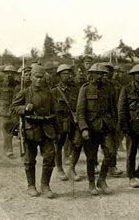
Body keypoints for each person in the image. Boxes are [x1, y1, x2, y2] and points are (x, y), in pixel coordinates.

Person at [11, 64, 61, 198]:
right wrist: (25, 108)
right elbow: (14, 107)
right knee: (29, 160)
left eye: (41, 77)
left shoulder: (49, 94)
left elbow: (54, 113)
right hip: (30, 130)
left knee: (50, 157)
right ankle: (31, 186)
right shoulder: (25, 92)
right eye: (36, 77)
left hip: (47, 129)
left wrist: (58, 131)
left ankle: (45, 185)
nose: (39, 80)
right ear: (31, 78)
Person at [76, 63, 116, 195]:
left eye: (102, 74)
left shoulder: (108, 88)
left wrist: (114, 125)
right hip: (91, 128)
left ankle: (102, 180)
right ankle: (91, 182)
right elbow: (80, 112)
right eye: (97, 74)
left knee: (110, 154)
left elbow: (112, 108)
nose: (100, 76)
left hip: (106, 127)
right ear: (91, 74)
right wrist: (84, 129)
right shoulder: (85, 89)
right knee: (91, 157)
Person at [51, 64, 80, 181]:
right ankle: (59, 169)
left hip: (73, 122)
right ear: (59, 76)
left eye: (68, 73)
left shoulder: (75, 89)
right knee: (58, 146)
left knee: (77, 143)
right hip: (60, 122)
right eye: (63, 73)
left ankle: (72, 168)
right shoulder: (54, 91)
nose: (66, 76)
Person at [0, 65, 19, 158]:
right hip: (3, 111)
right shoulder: (0, 84)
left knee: (12, 131)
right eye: (8, 73)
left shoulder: (18, 85)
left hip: (14, 111)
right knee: (6, 130)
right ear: (5, 74)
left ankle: (6, 146)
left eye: (12, 73)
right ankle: (9, 149)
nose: (10, 75)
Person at [102, 62, 123, 177]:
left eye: (108, 72)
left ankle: (112, 166)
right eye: (104, 72)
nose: (106, 74)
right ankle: (95, 165)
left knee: (112, 145)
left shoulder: (113, 86)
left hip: (110, 120)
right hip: (95, 121)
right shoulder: (90, 85)